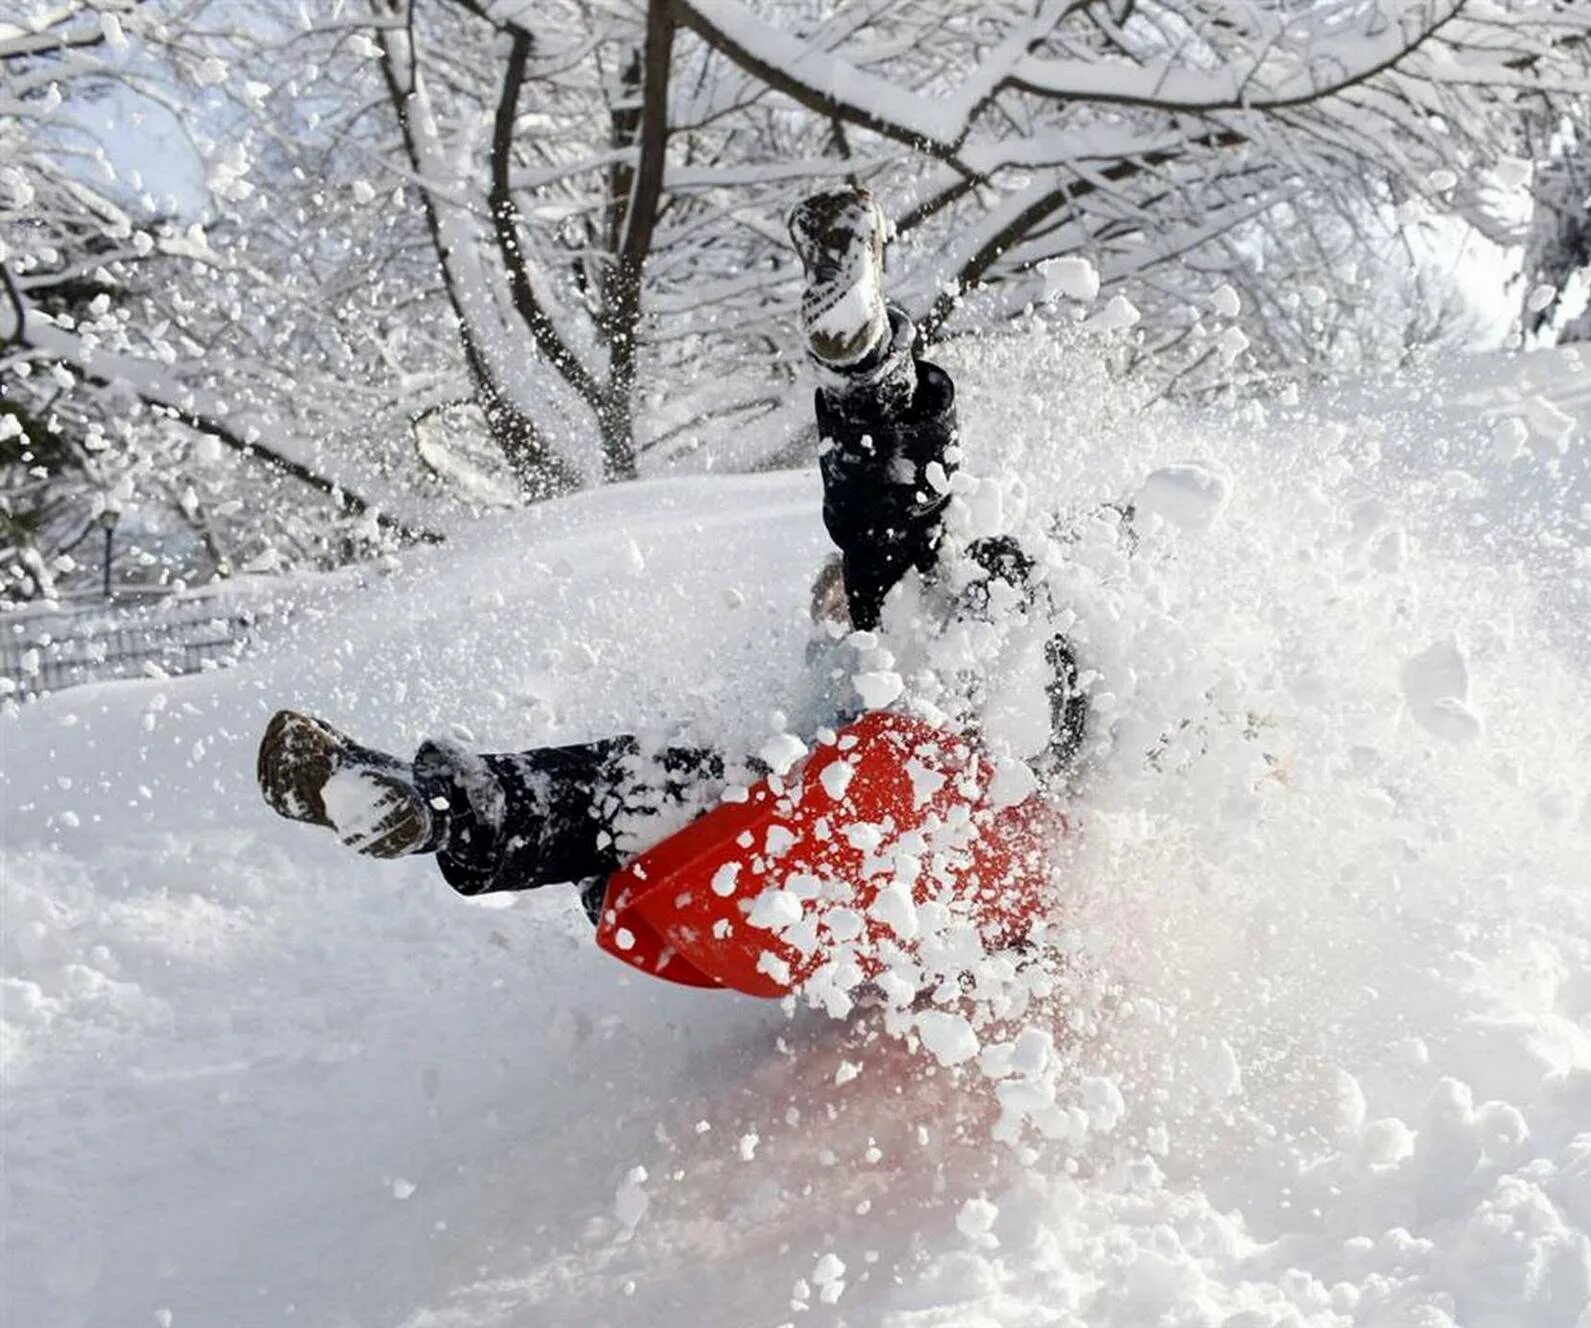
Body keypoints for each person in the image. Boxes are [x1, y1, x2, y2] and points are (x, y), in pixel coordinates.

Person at [257, 187, 1088, 923]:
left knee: (895, 568)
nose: (826, 607)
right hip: (870, 830)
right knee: (651, 781)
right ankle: (426, 804)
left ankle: (865, 371)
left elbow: (1029, 653)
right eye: (824, 603)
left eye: (830, 600)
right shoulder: (839, 692)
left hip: (978, 809)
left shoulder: (988, 629)